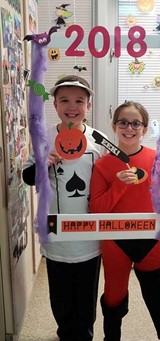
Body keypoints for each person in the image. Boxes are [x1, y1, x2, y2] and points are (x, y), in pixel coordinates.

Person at [89, 101, 160, 341]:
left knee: (157, 295)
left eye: (136, 123)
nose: (129, 128)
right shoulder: (102, 165)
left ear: (145, 129)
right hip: (116, 242)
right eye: (123, 122)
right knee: (113, 298)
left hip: (151, 241)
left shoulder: (159, 161)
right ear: (114, 126)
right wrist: (119, 184)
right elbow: (97, 210)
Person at [22, 75, 108, 341]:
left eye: (79, 101)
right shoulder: (43, 138)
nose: (72, 106)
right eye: (65, 100)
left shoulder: (99, 140)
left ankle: (84, 335)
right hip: (56, 237)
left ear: (89, 106)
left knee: (86, 299)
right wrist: (41, 163)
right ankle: (64, 332)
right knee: (60, 298)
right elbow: (27, 177)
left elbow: (115, 177)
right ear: (55, 105)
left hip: (89, 239)